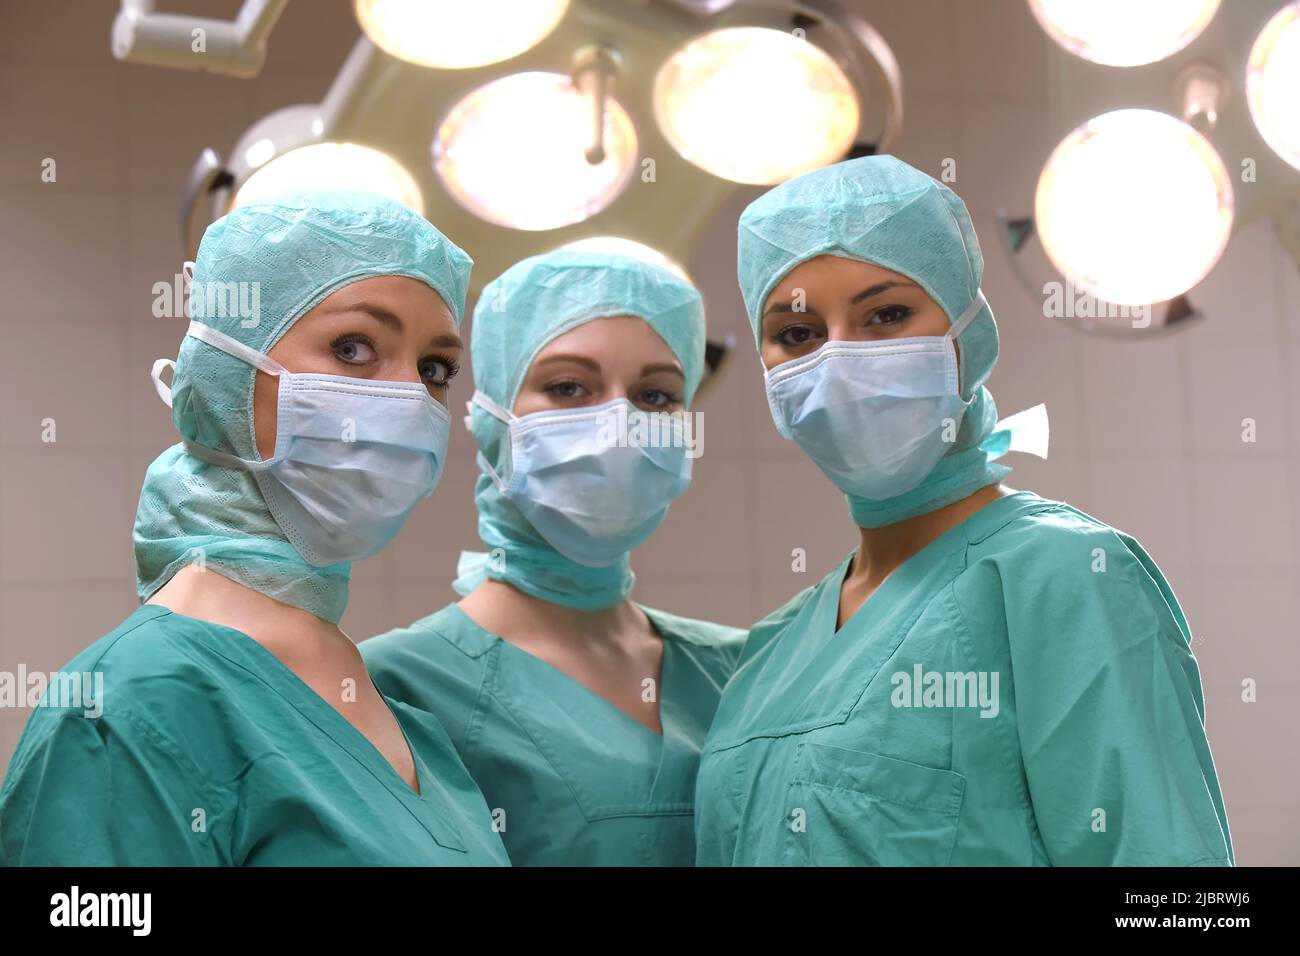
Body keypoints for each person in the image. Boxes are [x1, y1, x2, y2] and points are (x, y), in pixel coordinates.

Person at [694, 156, 1234, 866]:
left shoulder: (1062, 575)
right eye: (797, 335)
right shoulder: (771, 648)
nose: (839, 361)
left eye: (886, 315)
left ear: (966, 331)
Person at [0, 191, 508, 866]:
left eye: (434, 369)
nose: (408, 400)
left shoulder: (405, 727)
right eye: (354, 348)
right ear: (228, 372)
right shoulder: (129, 704)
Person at [363, 249, 745, 866]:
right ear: (491, 422)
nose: (619, 424)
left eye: (656, 395)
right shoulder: (395, 685)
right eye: (568, 387)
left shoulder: (743, 669)